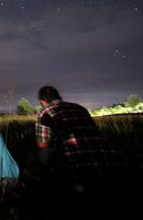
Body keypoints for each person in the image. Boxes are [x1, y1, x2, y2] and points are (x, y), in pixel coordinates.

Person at [35, 86, 124, 218]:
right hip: (109, 160)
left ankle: (54, 189)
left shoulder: (45, 112)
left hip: (76, 166)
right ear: (58, 97)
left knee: (44, 153)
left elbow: (43, 144)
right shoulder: (79, 107)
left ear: (42, 101)